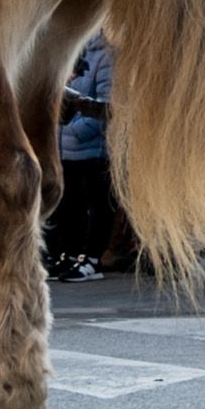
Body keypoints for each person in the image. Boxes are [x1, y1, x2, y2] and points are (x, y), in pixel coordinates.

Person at [48, 38, 120, 283]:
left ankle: (91, 259)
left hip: (91, 148)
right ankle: (69, 254)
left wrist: (75, 130)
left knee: (95, 204)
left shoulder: (105, 57)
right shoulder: (71, 52)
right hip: (65, 146)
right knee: (69, 205)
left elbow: (107, 103)